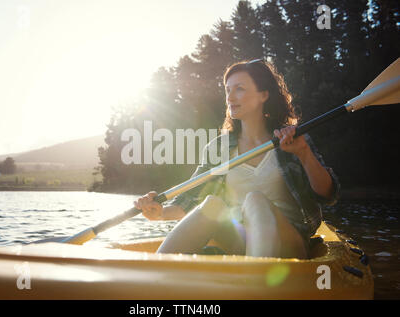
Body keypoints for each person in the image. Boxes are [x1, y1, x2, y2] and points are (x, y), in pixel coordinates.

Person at [134, 59, 340, 259]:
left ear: (263, 95)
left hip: (289, 242)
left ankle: (255, 282)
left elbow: (328, 195)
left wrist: (304, 153)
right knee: (212, 204)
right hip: (239, 241)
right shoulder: (218, 147)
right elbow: (188, 200)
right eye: (227, 90)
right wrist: (159, 213)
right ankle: (154, 275)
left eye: (239, 89)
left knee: (255, 200)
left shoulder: (292, 140)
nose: (230, 97)